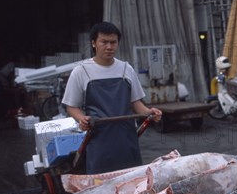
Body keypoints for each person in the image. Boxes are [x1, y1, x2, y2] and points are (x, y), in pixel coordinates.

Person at [62, 21, 162, 174]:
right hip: (98, 139)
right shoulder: (81, 71)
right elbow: (71, 106)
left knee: (131, 179)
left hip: (127, 138)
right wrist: (81, 119)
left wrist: (150, 112)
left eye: (113, 42)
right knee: (100, 182)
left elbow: (135, 102)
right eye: (104, 42)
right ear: (93, 43)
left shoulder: (126, 69)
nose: (109, 47)